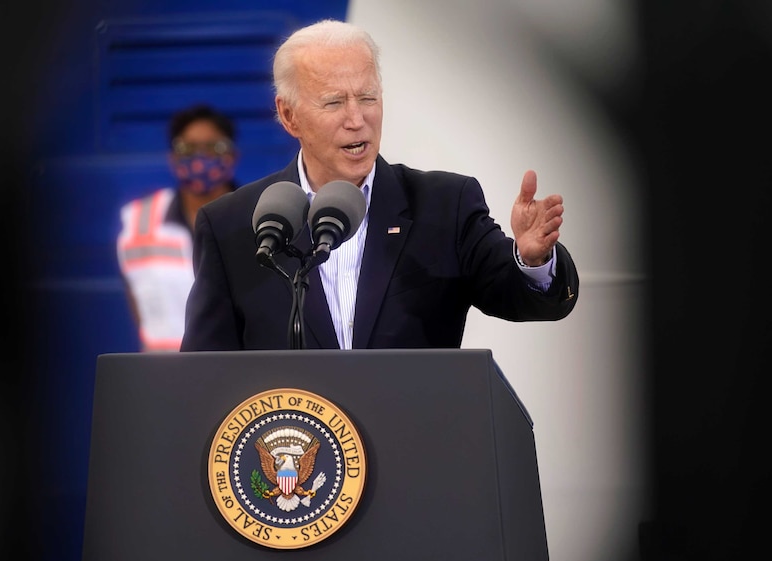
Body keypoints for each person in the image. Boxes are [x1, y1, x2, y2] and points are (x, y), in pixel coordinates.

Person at [180, 19, 579, 352]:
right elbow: (204, 374)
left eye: (368, 97)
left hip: (413, 442)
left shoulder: (444, 205)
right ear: (289, 116)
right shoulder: (232, 225)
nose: (357, 119)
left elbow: (519, 296)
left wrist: (531, 260)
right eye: (334, 102)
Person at [117, 104, 239, 351]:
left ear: (231, 157)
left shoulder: (256, 215)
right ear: (173, 158)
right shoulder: (140, 220)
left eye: (213, 147)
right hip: (162, 372)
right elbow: (135, 294)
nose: (201, 158)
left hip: (234, 374)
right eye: (188, 148)